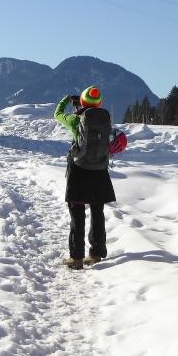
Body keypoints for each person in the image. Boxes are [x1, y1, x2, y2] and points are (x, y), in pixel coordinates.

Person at [54, 86, 127, 269]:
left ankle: (76, 258)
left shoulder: (75, 120)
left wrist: (66, 99)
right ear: (99, 103)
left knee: (77, 215)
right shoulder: (106, 120)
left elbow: (58, 114)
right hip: (100, 172)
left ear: (83, 102)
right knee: (97, 213)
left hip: (79, 172)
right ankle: (95, 253)